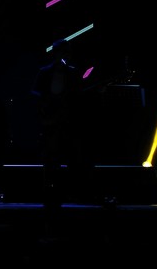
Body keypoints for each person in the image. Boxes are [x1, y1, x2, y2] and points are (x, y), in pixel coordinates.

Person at [31, 38, 90, 206]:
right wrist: (46, 103)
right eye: (63, 52)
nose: (66, 56)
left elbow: (79, 96)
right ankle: (50, 192)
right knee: (50, 159)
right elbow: (34, 92)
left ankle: (69, 193)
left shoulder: (72, 73)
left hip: (67, 122)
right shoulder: (44, 72)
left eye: (67, 53)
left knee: (71, 158)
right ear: (56, 53)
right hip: (50, 121)